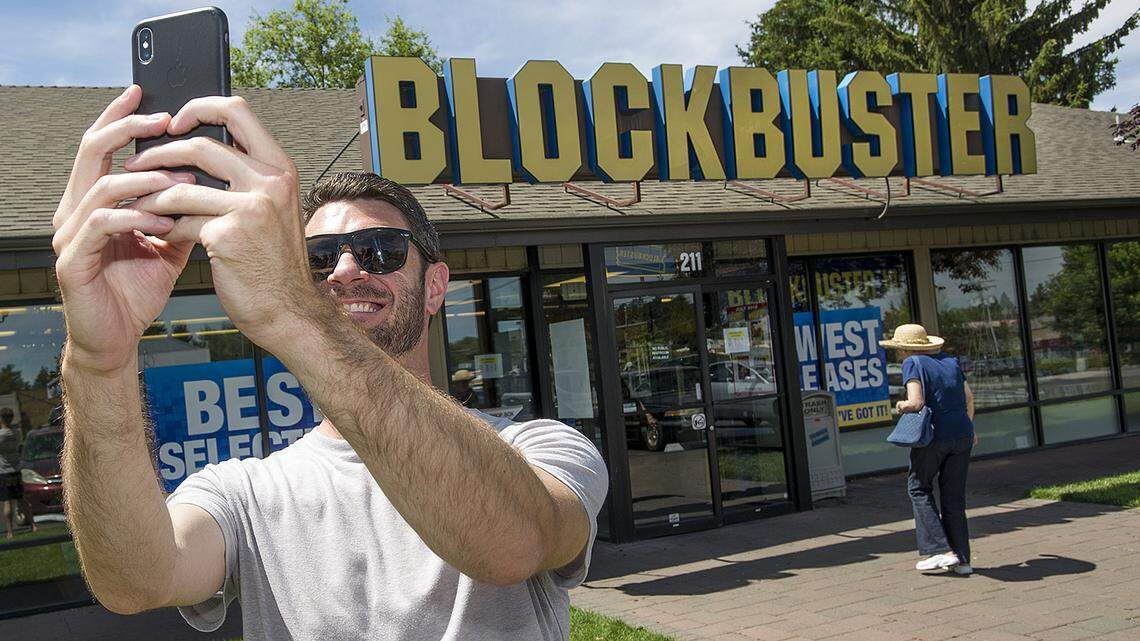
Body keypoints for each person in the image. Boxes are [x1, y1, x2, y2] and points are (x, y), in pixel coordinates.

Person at [52, 86, 608, 640]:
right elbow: (133, 582)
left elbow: (511, 544)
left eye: (379, 249)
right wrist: (100, 362)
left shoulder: (540, 450)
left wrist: (294, 309)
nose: (344, 271)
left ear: (435, 286)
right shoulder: (248, 492)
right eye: (316, 259)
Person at [881, 323, 976, 575]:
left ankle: (939, 550)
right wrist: (970, 427)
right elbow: (968, 397)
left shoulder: (913, 363)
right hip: (962, 434)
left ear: (903, 349)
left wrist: (901, 406)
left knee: (919, 487)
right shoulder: (950, 362)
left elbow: (916, 402)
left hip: (934, 436)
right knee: (954, 498)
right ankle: (963, 560)